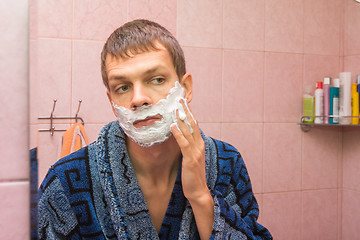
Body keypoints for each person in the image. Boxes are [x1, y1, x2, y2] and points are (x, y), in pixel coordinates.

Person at [38, 19, 272, 240]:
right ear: (112, 102)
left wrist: (201, 196)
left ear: (186, 88)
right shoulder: (63, 182)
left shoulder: (226, 163)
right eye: (123, 87)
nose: (138, 99)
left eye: (157, 79)